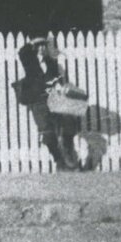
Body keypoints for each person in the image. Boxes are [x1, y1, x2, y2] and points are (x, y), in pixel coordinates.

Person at [14, 31, 85, 170]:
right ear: (34, 48)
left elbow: (56, 80)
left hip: (53, 100)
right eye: (38, 46)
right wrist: (34, 41)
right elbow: (22, 52)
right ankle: (59, 160)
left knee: (69, 122)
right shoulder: (30, 61)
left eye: (43, 46)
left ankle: (69, 154)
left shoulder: (51, 62)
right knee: (46, 132)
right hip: (37, 102)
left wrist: (59, 88)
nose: (41, 49)